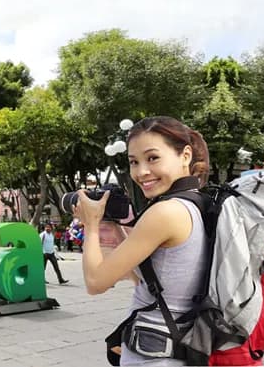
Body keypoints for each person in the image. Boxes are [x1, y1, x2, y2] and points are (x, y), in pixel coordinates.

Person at [73, 116, 210, 366]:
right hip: (180, 347)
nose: (141, 172)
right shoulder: (197, 202)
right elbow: (148, 279)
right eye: (134, 162)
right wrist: (117, 228)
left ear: (185, 155)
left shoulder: (165, 212)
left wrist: (91, 225)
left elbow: (95, 283)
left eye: (153, 158)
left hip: (154, 355)